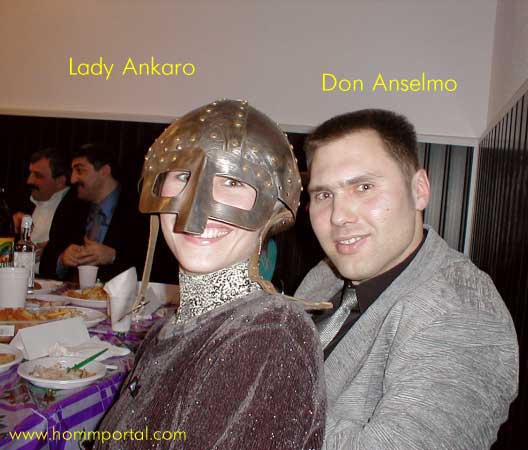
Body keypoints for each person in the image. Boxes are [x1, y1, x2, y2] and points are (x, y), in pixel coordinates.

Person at [94, 99, 325, 450]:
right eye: (182, 175)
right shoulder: (174, 325)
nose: (196, 209)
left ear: (273, 208)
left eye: (232, 181)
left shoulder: (267, 336)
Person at [295, 109, 518, 450]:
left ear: (419, 190)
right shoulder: (325, 274)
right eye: (324, 195)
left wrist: (258, 403)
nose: (338, 216)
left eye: (364, 187)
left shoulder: (461, 312)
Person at [57, 143, 147, 281]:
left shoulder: (139, 208)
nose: (72, 179)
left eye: (80, 170)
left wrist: (113, 256)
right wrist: (63, 259)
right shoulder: (72, 204)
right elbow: (50, 254)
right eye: (73, 171)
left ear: (104, 171)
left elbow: (155, 264)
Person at [12, 148, 87, 277]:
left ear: (60, 181)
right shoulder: (24, 201)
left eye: (38, 176)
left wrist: (49, 251)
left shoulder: (77, 209)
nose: (29, 181)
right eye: (30, 173)